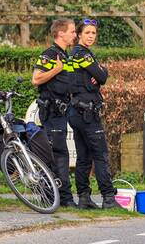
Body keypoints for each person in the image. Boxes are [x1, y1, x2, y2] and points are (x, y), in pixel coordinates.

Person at [68, 19, 122, 209]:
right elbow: (102, 76)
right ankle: (108, 198)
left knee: (83, 157)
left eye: (93, 33)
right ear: (79, 35)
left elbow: (95, 76)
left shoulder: (74, 54)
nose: (91, 36)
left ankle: (84, 198)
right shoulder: (82, 54)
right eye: (87, 33)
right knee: (100, 155)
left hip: (76, 110)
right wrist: (99, 73)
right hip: (87, 112)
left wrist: (97, 74)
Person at [32, 18, 78, 207]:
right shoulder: (50, 54)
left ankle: (56, 196)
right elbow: (36, 79)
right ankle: (61, 198)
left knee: (59, 153)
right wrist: (56, 70)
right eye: (72, 31)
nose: (75, 35)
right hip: (51, 112)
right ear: (60, 33)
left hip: (61, 112)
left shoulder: (65, 55)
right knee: (58, 154)